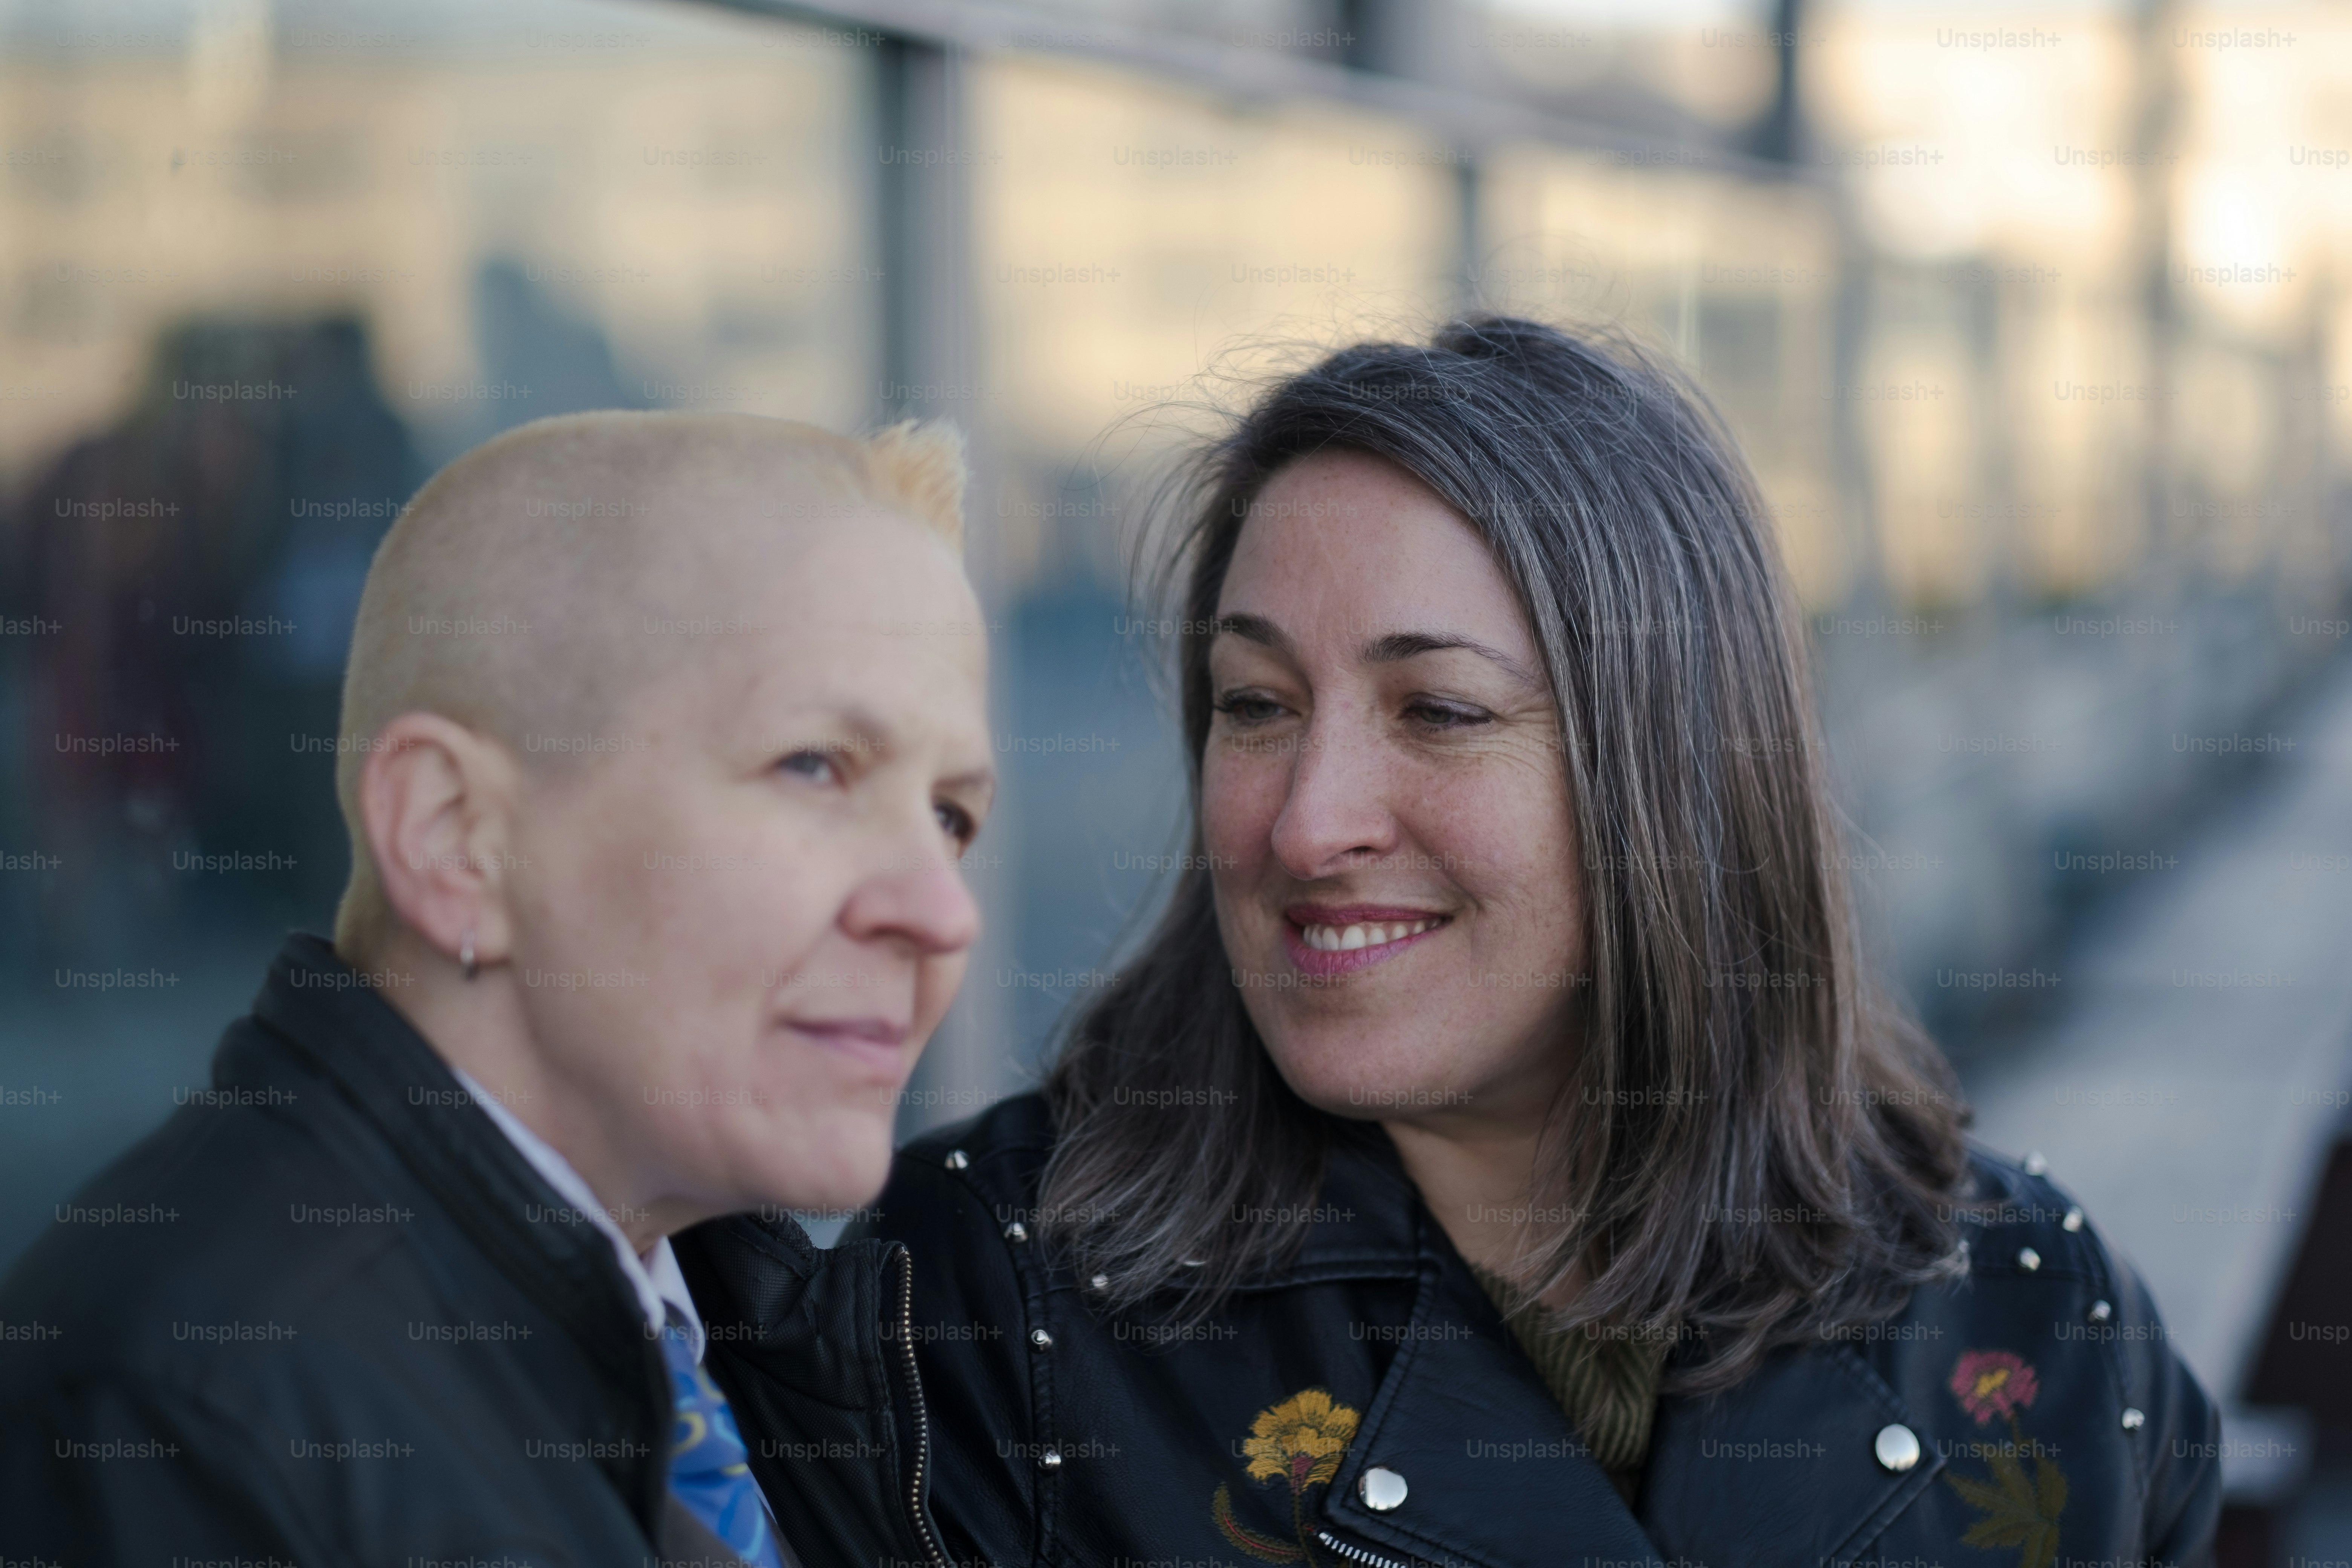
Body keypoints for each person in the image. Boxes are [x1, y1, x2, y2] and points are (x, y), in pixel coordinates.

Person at [691, 318, 2222, 1568]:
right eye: (1256, 705)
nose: (1305, 824)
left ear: (1677, 776)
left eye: (1438, 710)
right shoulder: (968, 1314)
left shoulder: (2037, 1303)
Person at [0, 411, 993, 1567]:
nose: (943, 910)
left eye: (951, 816)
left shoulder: (766, 1347)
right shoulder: (187, 1420)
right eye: (815, 767)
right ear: (456, 837)